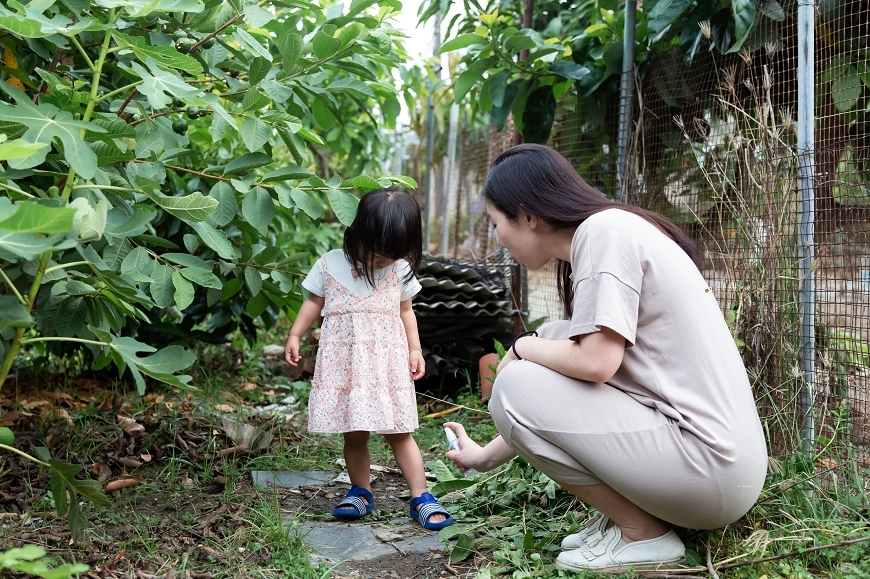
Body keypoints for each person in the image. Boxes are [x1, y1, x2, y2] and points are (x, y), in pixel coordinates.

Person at [445, 144, 767, 572]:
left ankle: (642, 533)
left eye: (496, 222)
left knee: (518, 379)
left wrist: (521, 348)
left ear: (527, 216)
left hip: (709, 468)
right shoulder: (608, 233)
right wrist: (484, 456)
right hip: (717, 466)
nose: (498, 236)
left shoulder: (604, 234)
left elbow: (595, 365)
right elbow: (565, 400)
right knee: (554, 339)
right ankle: (625, 523)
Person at [285, 188, 453, 531]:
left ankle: (420, 495)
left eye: (393, 255)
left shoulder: (400, 269)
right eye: (378, 253)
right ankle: (360, 490)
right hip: (347, 367)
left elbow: (406, 312)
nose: (383, 262)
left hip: (386, 366)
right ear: (358, 232)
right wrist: (295, 334)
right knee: (355, 434)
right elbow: (313, 303)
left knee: (399, 432)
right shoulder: (330, 263)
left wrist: (415, 349)